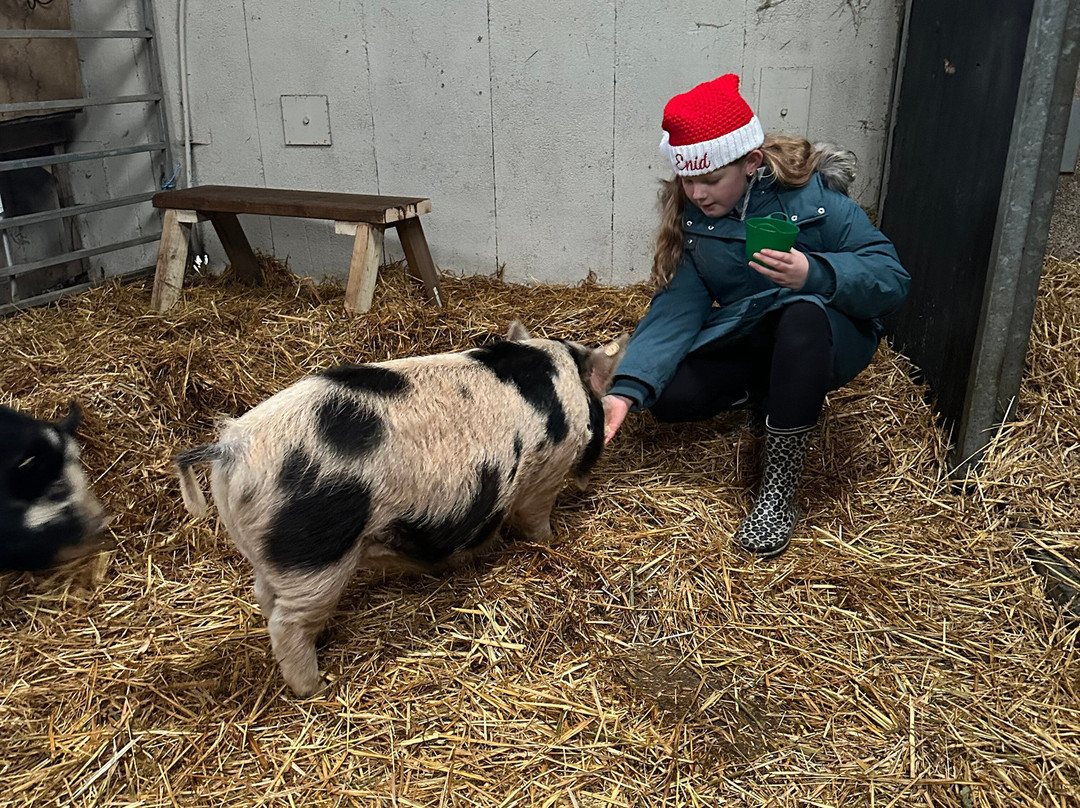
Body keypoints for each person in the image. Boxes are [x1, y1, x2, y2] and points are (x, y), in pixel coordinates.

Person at [602, 74, 910, 559]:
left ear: (751, 163)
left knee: (802, 317)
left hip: (823, 334)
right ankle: (772, 388)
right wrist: (627, 388)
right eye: (688, 179)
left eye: (710, 180)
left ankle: (778, 492)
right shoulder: (696, 219)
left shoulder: (816, 202)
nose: (697, 193)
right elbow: (678, 306)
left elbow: (891, 278)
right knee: (670, 400)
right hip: (752, 328)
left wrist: (817, 272)